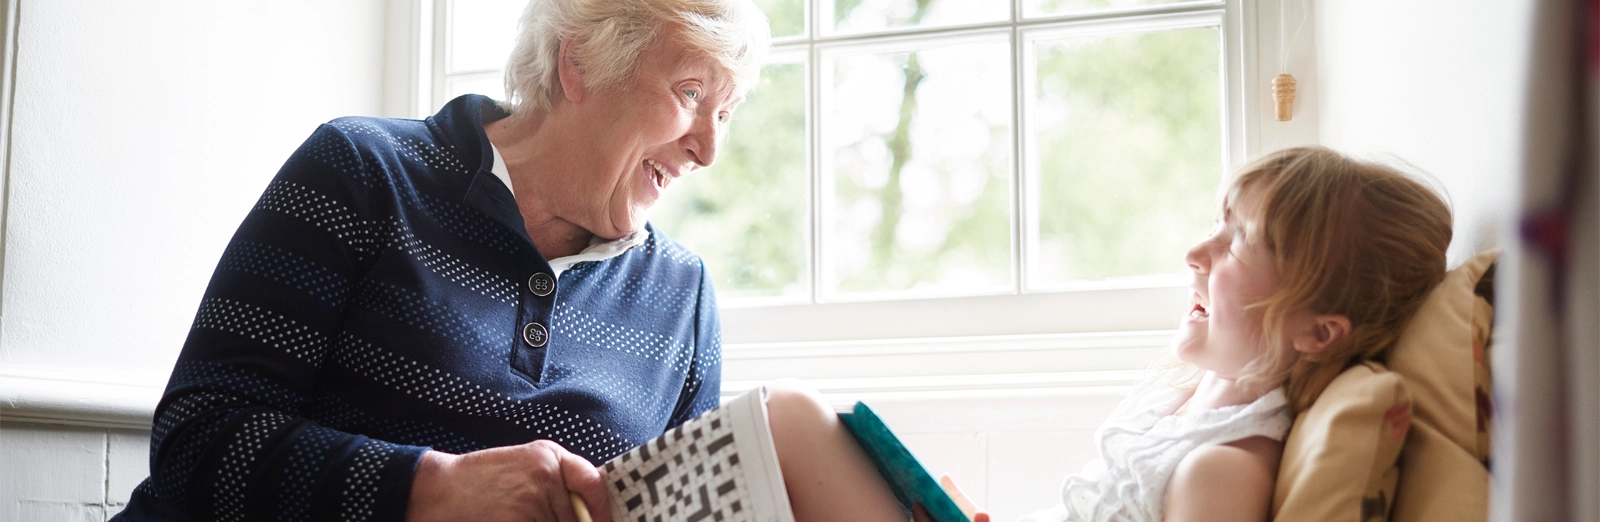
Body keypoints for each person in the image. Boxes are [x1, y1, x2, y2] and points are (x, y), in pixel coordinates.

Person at [112, 0, 769, 521]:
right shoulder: (363, 171)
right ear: (581, 64)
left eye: (728, 113)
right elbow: (197, 442)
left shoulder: (683, 295)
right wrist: (430, 489)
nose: (709, 149)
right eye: (690, 94)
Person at [760, 145, 1454, 522]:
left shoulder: (1224, 468)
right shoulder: (1184, 401)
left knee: (788, 417)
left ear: (1317, 332)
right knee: (784, 419)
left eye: (1238, 243)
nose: (1196, 252)